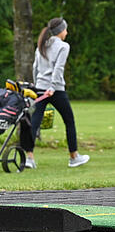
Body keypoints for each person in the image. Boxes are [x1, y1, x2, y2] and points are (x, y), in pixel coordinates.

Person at [22, 18, 90, 169]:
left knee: (34, 122)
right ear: (60, 31)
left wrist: (36, 85)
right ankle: (74, 157)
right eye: (66, 29)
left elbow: (35, 67)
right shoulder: (64, 46)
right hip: (55, 90)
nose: (67, 32)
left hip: (40, 88)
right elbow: (58, 68)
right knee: (69, 121)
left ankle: (29, 158)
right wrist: (52, 87)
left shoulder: (42, 44)